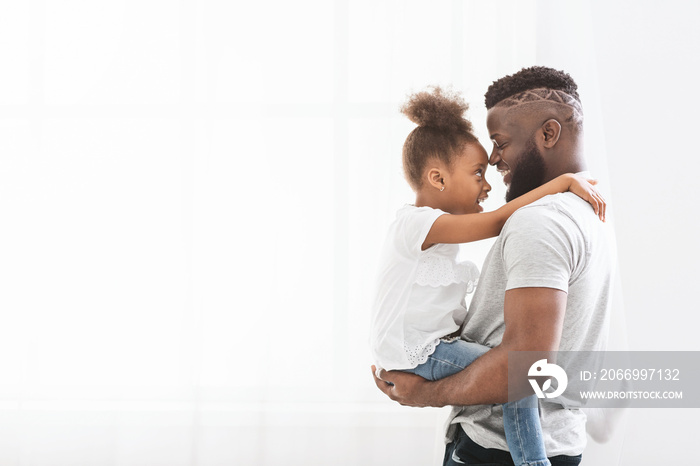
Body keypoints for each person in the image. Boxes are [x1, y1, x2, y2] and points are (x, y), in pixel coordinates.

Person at [372, 67, 615, 466]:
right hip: (551, 435)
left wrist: (423, 395)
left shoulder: (543, 221)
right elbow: (494, 221)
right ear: (437, 177)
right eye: (479, 170)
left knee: (518, 383)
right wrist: (564, 182)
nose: (494, 165)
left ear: (548, 134)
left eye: (499, 145)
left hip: (494, 450)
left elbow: (522, 369)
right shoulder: (588, 212)